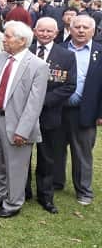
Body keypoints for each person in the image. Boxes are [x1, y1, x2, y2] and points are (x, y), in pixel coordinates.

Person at [0, 21, 48, 218]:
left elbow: (35, 103)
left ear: (22, 41)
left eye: (8, 36)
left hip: (17, 124)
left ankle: (13, 203)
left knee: (16, 166)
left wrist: (23, 130)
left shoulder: (38, 66)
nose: (4, 39)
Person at [25, 17, 76, 213]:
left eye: (49, 31)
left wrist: (42, 101)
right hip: (25, 113)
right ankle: (24, 191)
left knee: (47, 157)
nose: (45, 34)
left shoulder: (66, 56)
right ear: (35, 31)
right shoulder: (25, 50)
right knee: (23, 156)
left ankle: (45, 196)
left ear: (56, 33)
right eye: (41, 30)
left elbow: (69, 86)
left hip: (50, 114)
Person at [53, 14, 102, 205]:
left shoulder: (99, 52)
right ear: (70, 29)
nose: (81, 30)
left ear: (93, 31)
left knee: (82, 153)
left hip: (85, 111)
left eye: (85, 27)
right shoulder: (60, 49)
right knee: (56, 148)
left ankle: (84, 191)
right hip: (59, 109)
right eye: (77, 27)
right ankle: (56, 182)